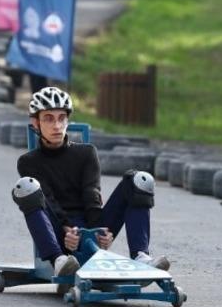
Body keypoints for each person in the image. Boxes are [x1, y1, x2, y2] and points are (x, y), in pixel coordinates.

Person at [11, 86, 170, 277]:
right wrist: (66, 230)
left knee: (139, 180)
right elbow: (48, 200)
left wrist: (99, 232)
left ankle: (141, 256)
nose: (56, 125)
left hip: (91, 223)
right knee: (27, 187)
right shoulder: (29, 162)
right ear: (35, 123)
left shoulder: (86, 153)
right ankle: (58, 260)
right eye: (48, 118)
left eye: (62, 118)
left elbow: (92, 194)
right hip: (58, 230)